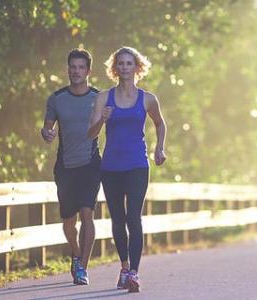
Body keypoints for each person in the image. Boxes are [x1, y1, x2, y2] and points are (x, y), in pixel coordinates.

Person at [88, 46, 167, 293]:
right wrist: (102, 118)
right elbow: (90, 133)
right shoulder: (103, 98)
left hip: (137, 165)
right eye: (120, 63)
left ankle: (134, 272)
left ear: (137, 67)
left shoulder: (147, 98)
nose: (124, 67)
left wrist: (159, 148)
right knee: (118, 218)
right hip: (110, 166)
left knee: (133, 216)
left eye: (128, 63)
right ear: (115, 68)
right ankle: (123, 267)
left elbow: (160, 123)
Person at [41, 48, 101, 285]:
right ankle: (75, 253)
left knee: (88, 213)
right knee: (68, 221)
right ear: (68, 69)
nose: (76, 72)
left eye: (80, 68)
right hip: (65, 166)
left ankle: (82, 268)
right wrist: (46, 133)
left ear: (88, 71)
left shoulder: (98, 97)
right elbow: (47, 128)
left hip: (91, 164)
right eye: (72, 67)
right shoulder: (57, 98)